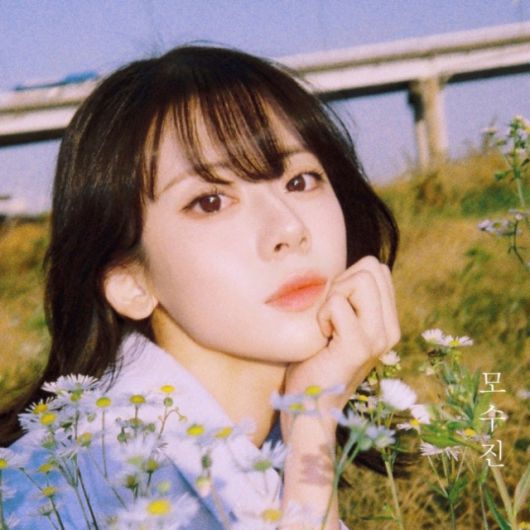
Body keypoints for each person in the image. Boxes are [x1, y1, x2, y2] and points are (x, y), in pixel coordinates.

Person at [1, 45, 400, 529]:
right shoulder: (97, 484)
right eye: (211, 201)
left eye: (300, 181)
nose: (289, 228)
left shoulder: (254, 445)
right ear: (129, 282)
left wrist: (311, 420)